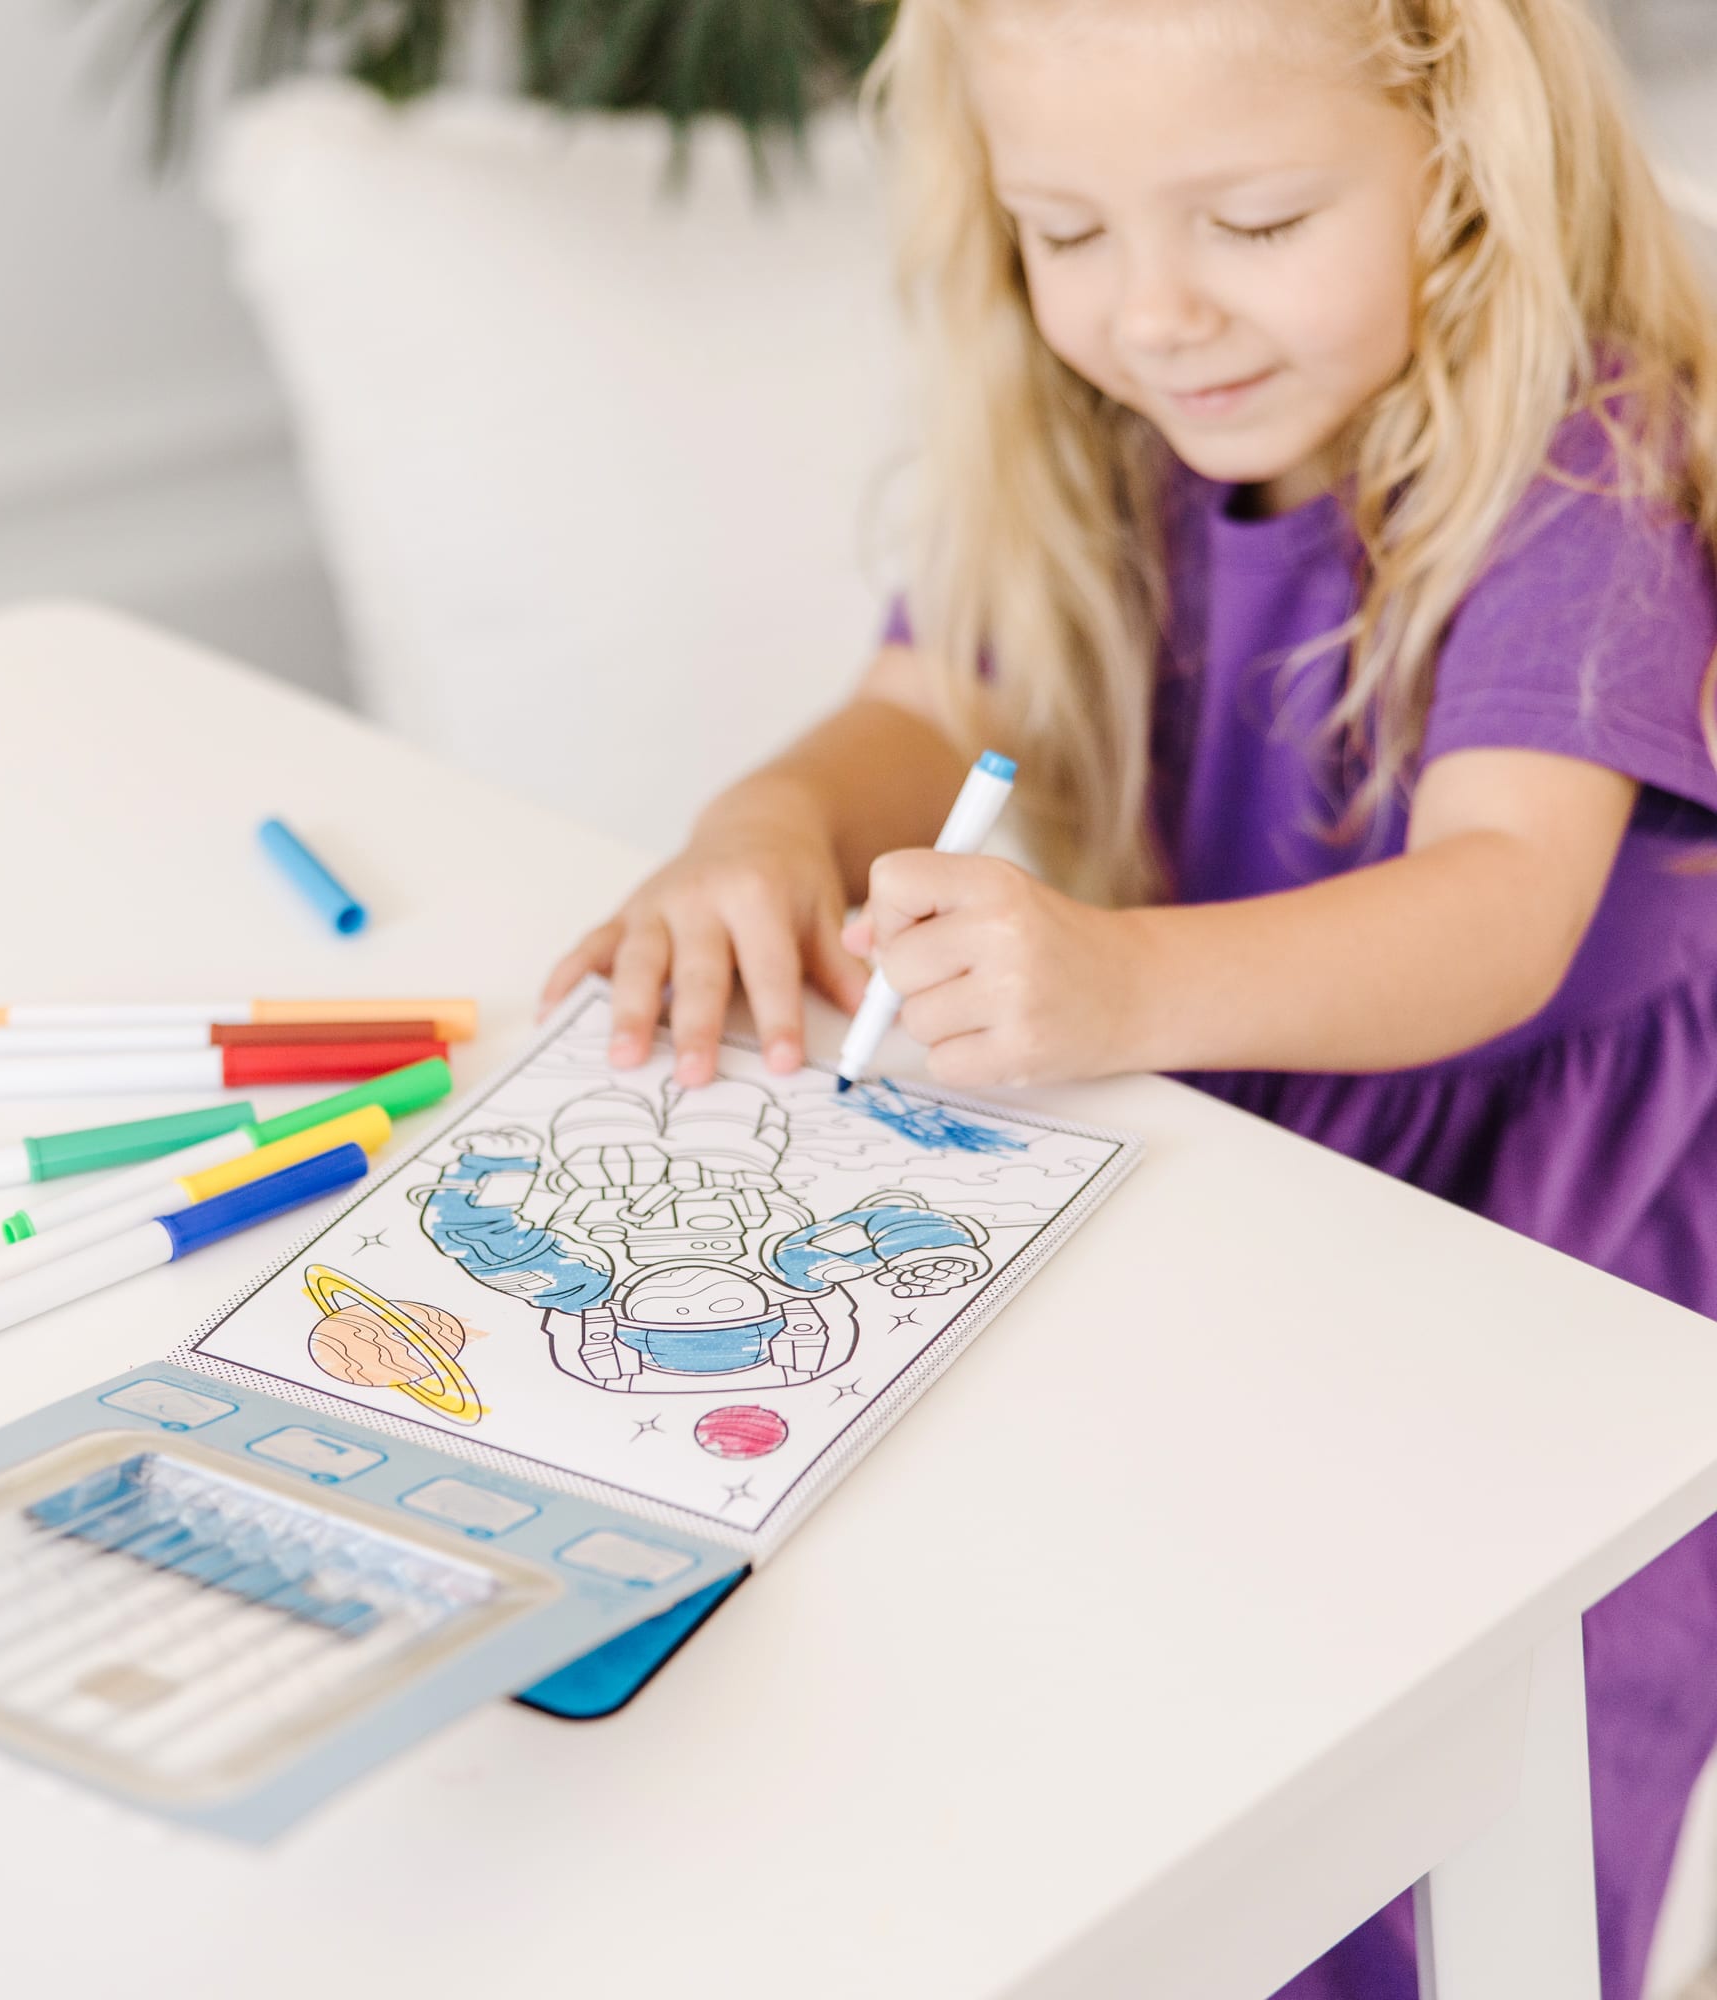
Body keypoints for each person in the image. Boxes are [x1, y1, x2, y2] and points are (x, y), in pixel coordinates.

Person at [540, 1, 1717, 1992]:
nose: (1154, 312)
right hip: (1249, 1150)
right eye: (1068, 232)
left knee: (1449, 1819)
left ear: (1461, 162)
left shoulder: (1576, 463)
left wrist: (1112, 977)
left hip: (1555, 1227)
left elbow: (1501, 909)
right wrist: (757, 828)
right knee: (1166, 1727)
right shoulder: (1098, 430)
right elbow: (922, 706)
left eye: (1253, 221)